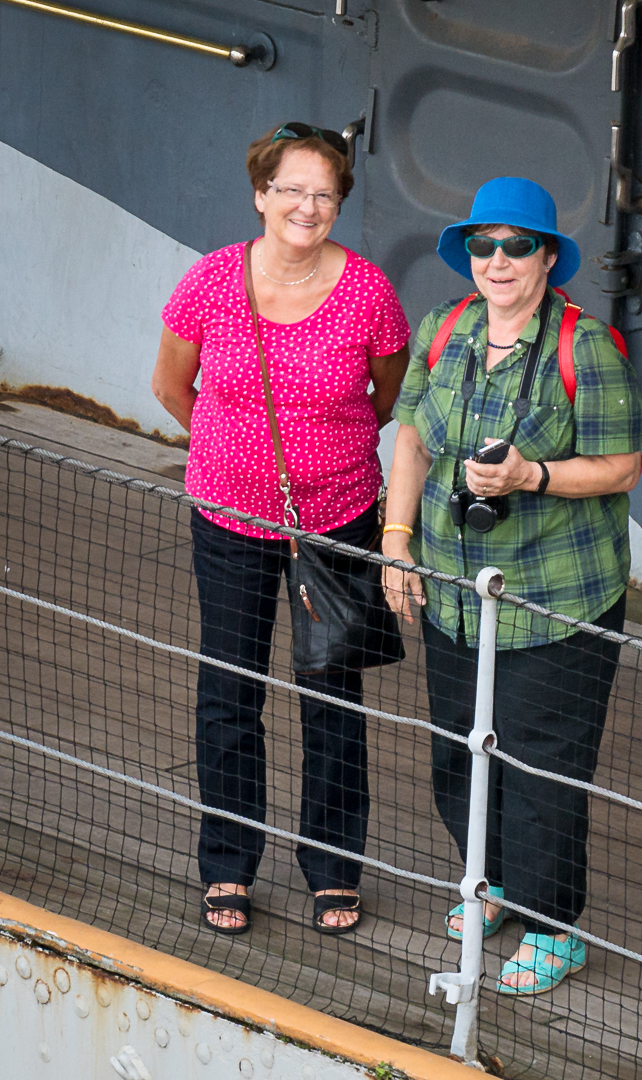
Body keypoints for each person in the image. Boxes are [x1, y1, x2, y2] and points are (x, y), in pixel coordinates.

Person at [381, 177, 642, 993]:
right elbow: (412, 439)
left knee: (541, 765)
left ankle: (552, 925)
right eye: (483, 245)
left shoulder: (584, 346)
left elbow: (623, 466)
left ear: (547, 258)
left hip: (555, 599)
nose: (498, 261)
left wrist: (532, 475)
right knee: (459, 749)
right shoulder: (444, 327)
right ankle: (489, 882)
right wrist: (396, 541)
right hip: (455, 591)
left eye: (517, 245)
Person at [151, 122, 410, 936]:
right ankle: (228, 864)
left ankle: (333, 867)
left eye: (324, 193)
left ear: (341, 203)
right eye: (291, 189)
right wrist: (234, 458)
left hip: (337, 521)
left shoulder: (369, 292)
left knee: (332, 692)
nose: (307, 205)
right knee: (229, 690)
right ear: (260, 194)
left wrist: (317, 460)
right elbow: (171, 388)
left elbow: (387, 397)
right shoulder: (210, 280)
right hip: (229, 518)